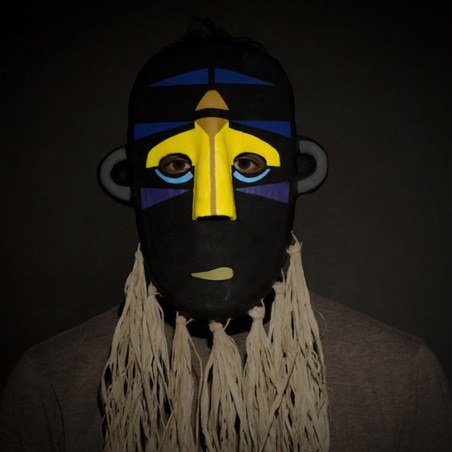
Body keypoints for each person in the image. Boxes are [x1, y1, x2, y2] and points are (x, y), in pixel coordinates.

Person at [1, 24, 451, 452]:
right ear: (128, 181)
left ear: (300, 173)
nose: (213, 205)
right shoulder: (51, 384)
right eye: (176, 165)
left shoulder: (399, 377)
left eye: (249, 164)